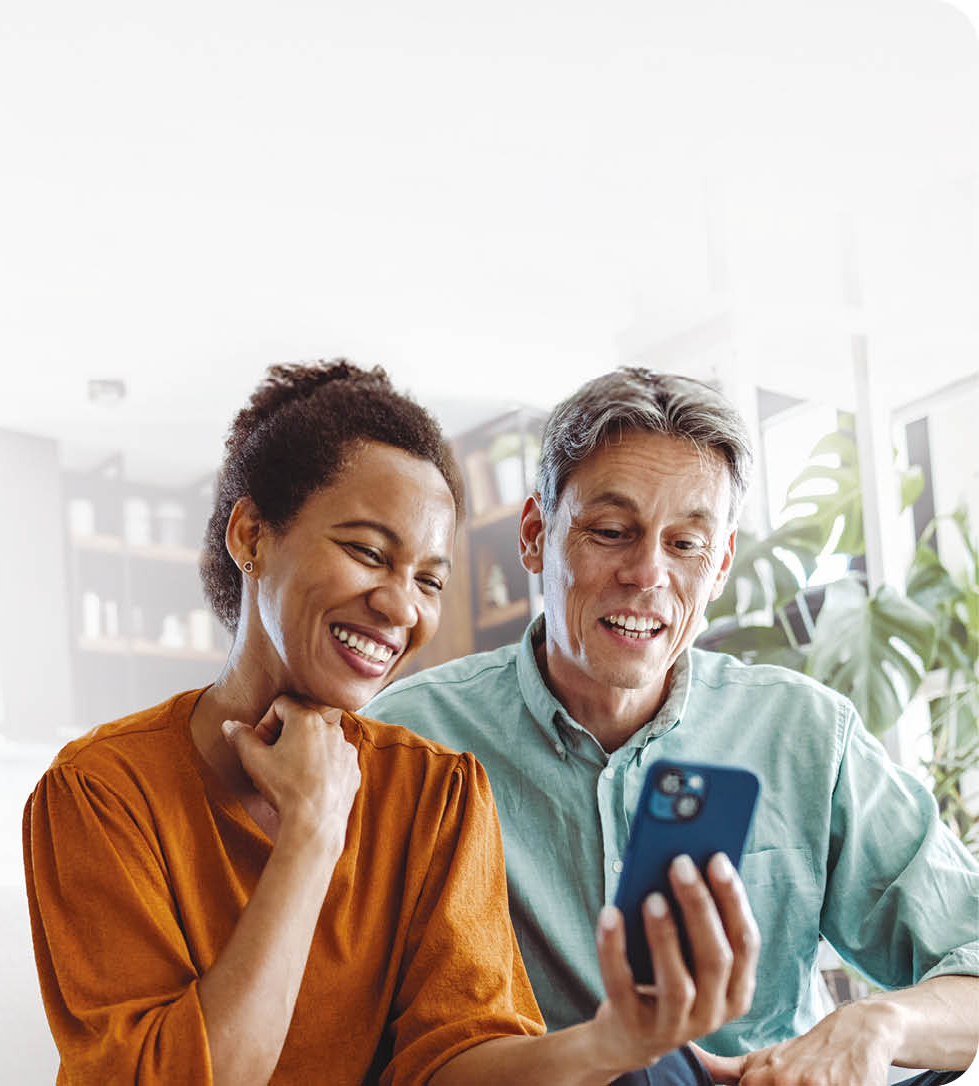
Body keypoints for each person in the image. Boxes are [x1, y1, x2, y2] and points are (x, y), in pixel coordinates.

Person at [23, 360, 759, 1085]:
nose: (401, 607)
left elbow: (457, 1059)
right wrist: (311, 835)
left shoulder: (436, 790)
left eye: (429, 579)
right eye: (367, 552)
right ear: (251, 536)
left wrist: (612, 1045)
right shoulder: (100, 793)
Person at [366, 366, 979, 1085]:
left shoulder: (807, 734)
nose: (646, 573)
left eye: (686, 544)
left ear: (720, 564)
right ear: (535, 535)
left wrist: (882, 1022)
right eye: (612, 531)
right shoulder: (410, 740)